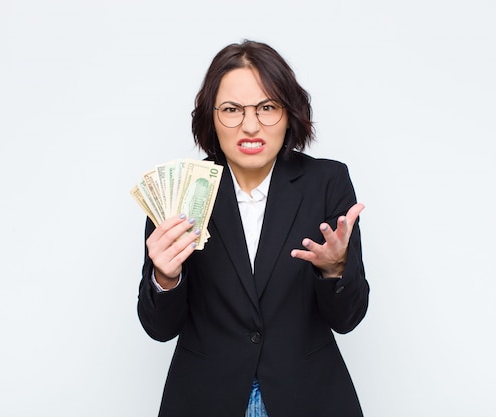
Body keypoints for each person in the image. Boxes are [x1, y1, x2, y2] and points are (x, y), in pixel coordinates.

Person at [137, 40, 369, 417]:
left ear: (289, 113)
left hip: (308, 397)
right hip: (204, 397)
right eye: (231, 109)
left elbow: (349, 319)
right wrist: (165, 278)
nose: (250, 125)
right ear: (210, 116)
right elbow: (160, 329)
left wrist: (334, 269)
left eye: (267, 108)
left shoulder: (327, 181)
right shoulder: (178, 191)